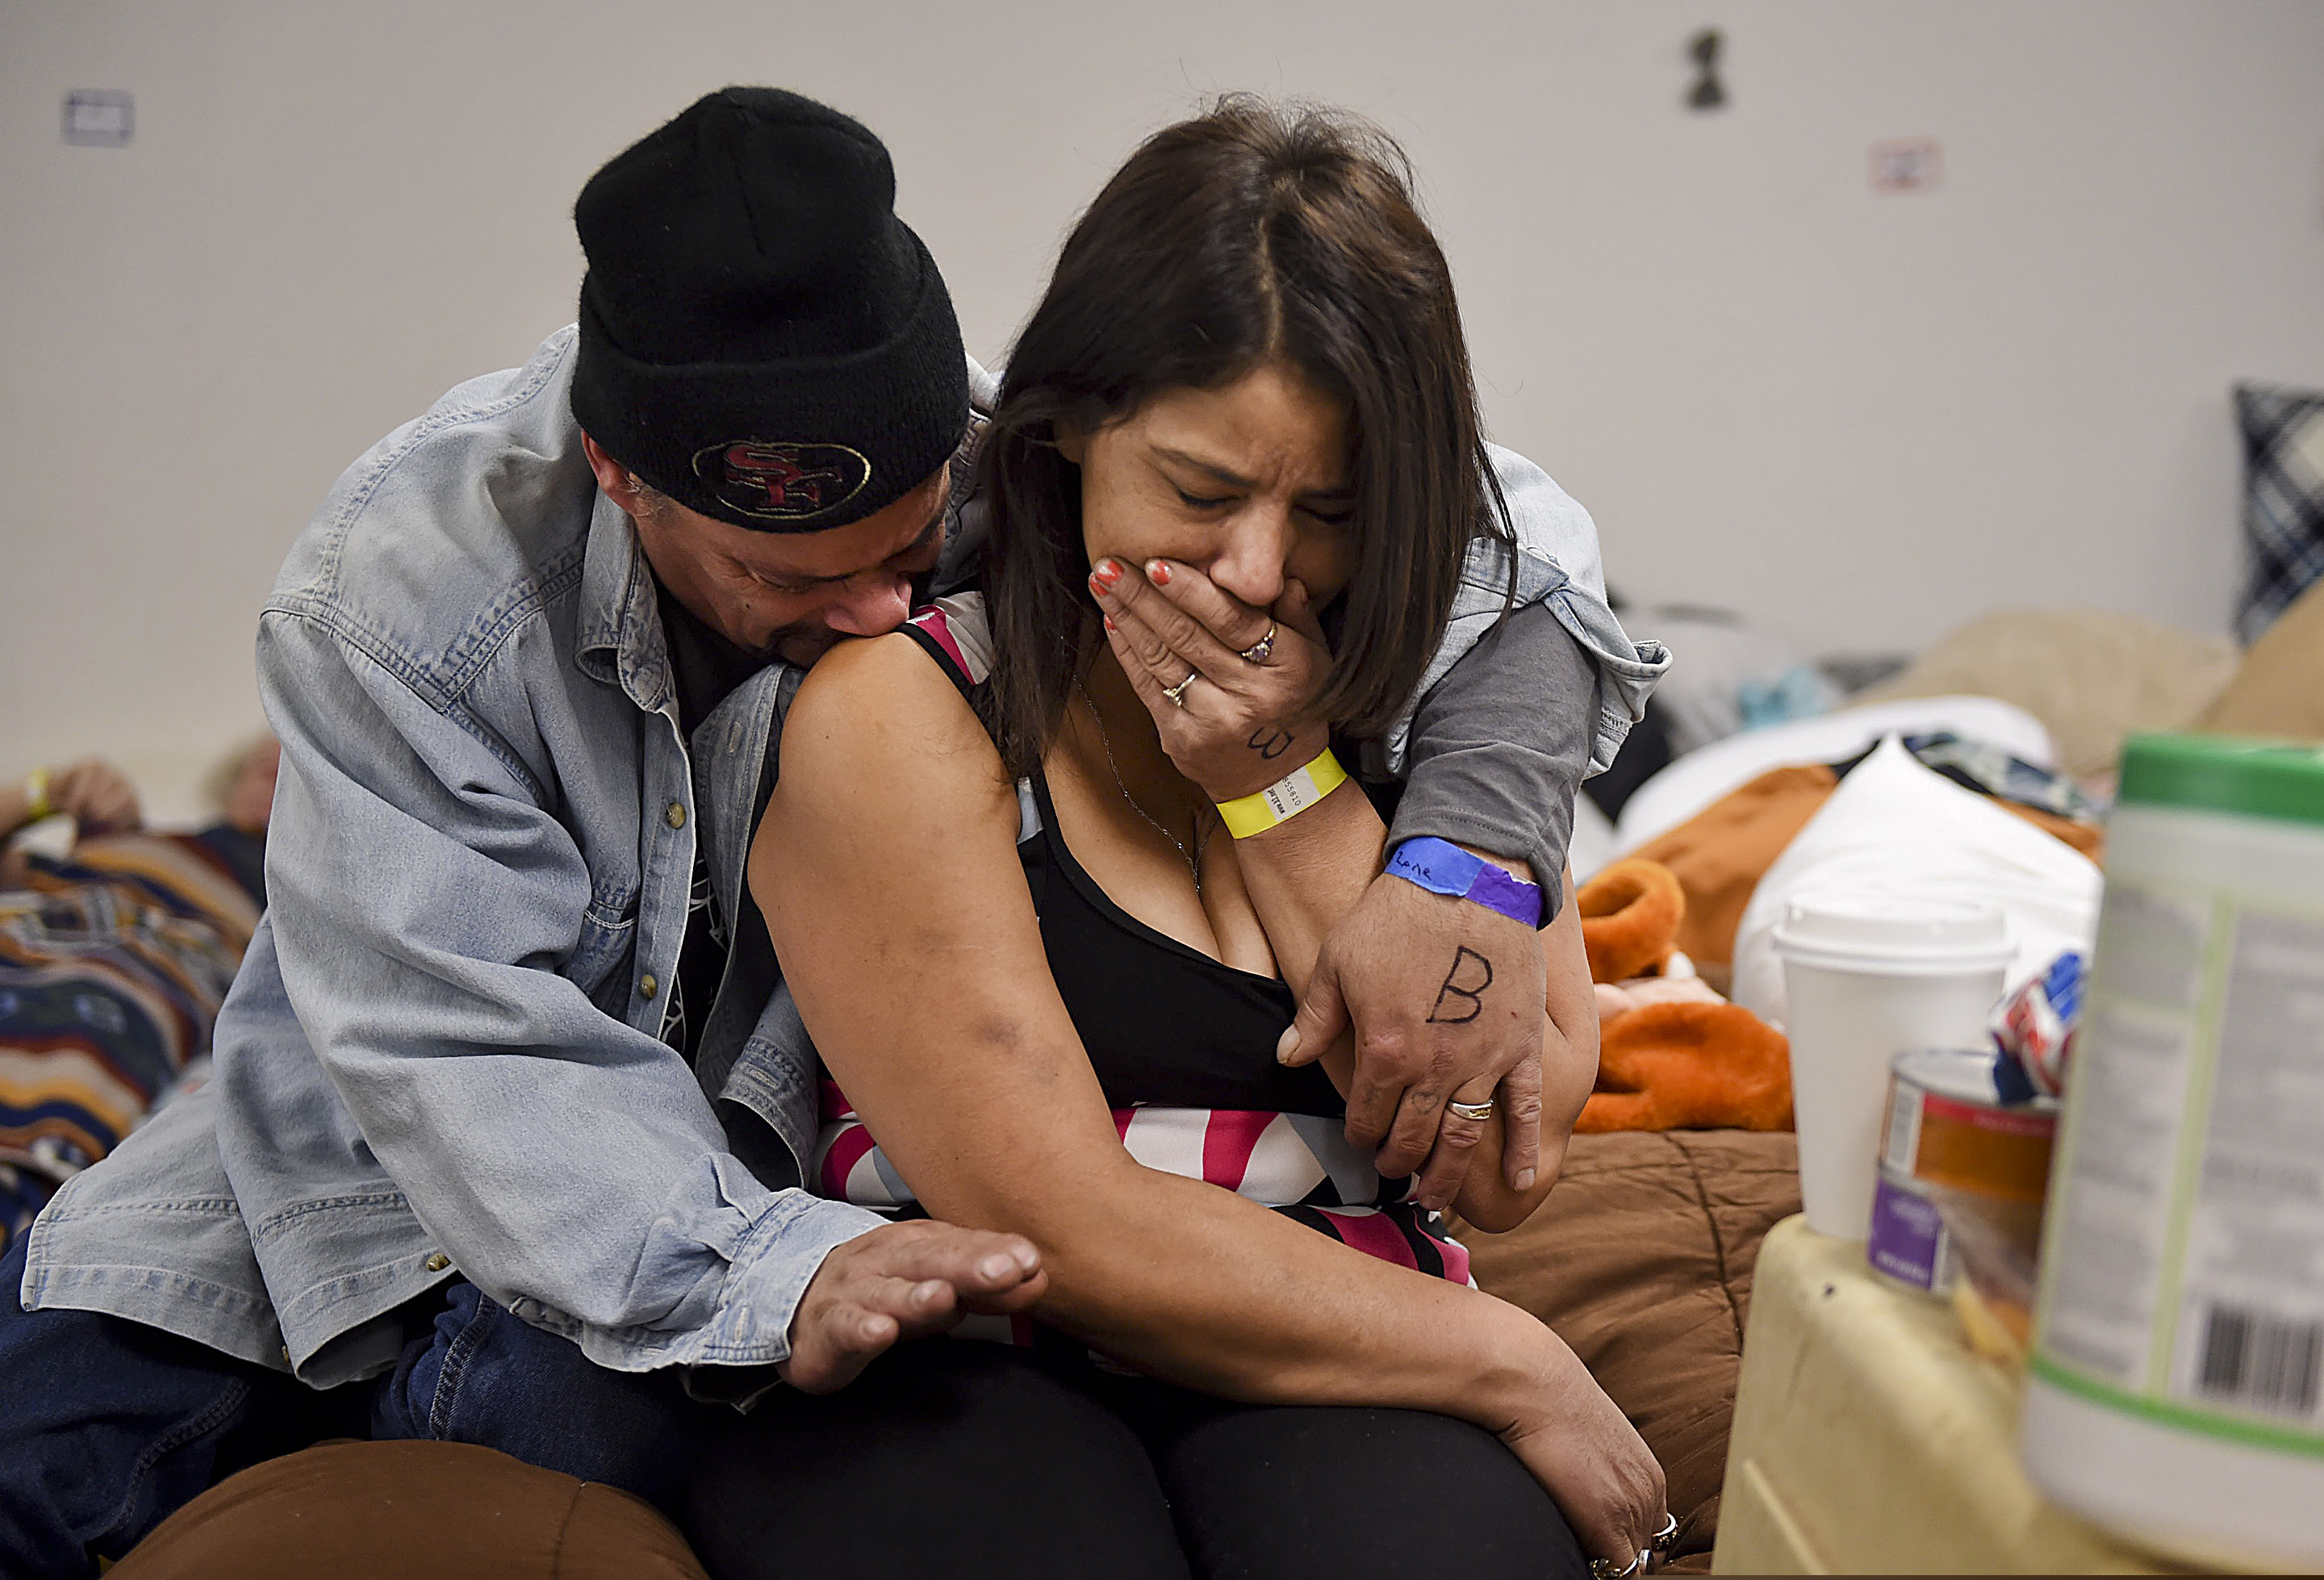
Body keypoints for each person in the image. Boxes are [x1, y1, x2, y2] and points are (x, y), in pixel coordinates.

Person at [0, 88, 1661, 1574]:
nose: (881, 609)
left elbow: (1509, 536)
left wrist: (1473, 849)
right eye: (795, 584)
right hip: (397, 1202)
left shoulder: (1042, 465)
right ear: (621, 477)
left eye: (914, 544)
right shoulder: (408, 605)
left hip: (748, 1208)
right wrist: (780, 1270)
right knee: (72, 1474)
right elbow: (469, 1069)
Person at [689, 101, 1667, 1580]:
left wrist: (1277, 780)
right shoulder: (901, 708)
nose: (1259, 570)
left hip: (1356, 1346)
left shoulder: (1447, 720)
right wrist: (1507, 1354)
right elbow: (1049, 1219)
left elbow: (1498, 1150)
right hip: (967, 1348)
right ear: (1068, 428)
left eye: (1327, 512)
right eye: (1202, 493)